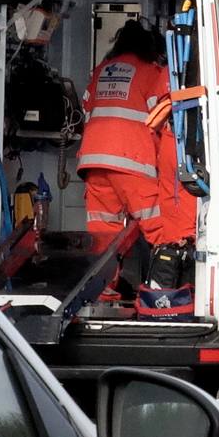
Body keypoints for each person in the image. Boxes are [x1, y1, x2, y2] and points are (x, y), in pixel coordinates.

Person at [77, 21, 174, 299]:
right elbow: (163, 116)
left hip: (94, 162)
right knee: (159, 229)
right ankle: (164, 291)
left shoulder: (101, 71)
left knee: (103, 232)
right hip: (133, 163)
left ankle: (103, 290)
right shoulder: (151, 72)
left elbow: (86, 108)